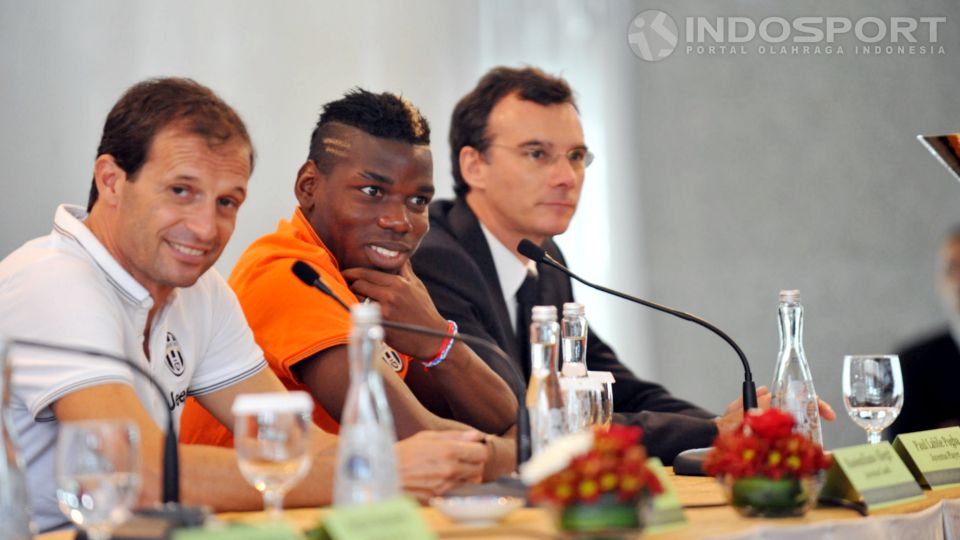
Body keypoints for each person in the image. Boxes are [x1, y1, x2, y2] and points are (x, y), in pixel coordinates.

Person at [0, 78, 485, 532]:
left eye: (227, 202)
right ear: (111, 180)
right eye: (181, 192)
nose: (207, 228)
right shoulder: (54, 280)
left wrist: (391, 467)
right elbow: (136, 472)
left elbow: (290, 440)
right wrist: (379, 470)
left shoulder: (200, 289)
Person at [412, 66, 836, 464]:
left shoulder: (547, 260)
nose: (566, 176)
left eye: (577, 156)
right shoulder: (437, 259)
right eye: (537, 154)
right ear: (474, 165)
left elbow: (618, 388)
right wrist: (713, 431)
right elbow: (529, 415)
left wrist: (738, 423)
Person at [179, 88, 517, 479]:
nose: (399, 220)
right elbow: (412, 446)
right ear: (309, 187)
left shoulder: (373, 279)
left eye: (418, 201)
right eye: (373, 192)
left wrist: (437, 339)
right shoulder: (289, 273)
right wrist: (524, 452)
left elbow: (498, 416)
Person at [888, 226, 960, 439]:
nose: (959, 279)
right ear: (940, 280)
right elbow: (902, 453)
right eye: (951, 268)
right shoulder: (912, 363)